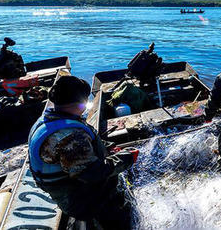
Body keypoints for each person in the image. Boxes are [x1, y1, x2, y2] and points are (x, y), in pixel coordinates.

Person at [28, 75, 138, 229]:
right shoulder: (70, 136)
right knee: (119, 209)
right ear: (81, 103)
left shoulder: (48, 119)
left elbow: (81, 145)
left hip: (65, 187)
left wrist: (106, 147)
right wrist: (127, 158)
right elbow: (92, 174)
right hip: (76, 199)